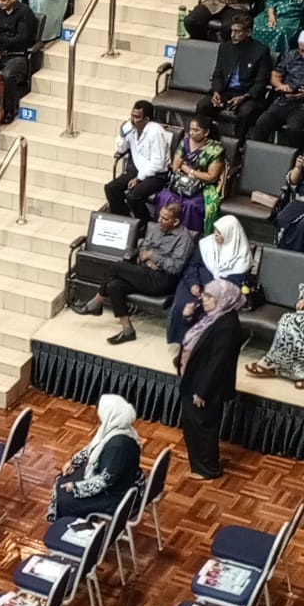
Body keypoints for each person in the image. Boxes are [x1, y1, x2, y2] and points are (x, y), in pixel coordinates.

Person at [75, 202, 194, 344]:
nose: (160, 220)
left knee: (116, 267)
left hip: (163, 279)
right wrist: (146, 259)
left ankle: (96, 303)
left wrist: (153, 256)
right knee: (114, 286)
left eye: (165, 219)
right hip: (146, 271)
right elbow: (144, 247)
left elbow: (176, 267)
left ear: (176, 222)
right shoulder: (158, 228)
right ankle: (127, 330)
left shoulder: (184, 239)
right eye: (160, 216)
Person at [178, 279, 244, 478]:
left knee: (202, 426)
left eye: (209, 296)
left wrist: (202, 391)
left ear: (222, 299)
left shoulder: (228, 327)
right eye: (204, 295)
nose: (203, 299)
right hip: (195, 377)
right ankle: (199, 465)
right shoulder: (214, 315)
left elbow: (218, 363)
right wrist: (188, 317)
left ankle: (207, 469)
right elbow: (198, 336)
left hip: (206, 386)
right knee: (193, 424)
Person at [48, 395, 145, 521]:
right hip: (114, 483)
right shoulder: (120, 429)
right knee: (62, 479)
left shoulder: (118, 447)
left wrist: (76, 488)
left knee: (65, 497)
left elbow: (104, 481)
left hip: (116, 495)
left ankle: (71, 528)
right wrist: (73, 461)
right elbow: (93, 447)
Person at [168, 213, 251, 350]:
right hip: (196, 281)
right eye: (216, 231)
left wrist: (209, 293)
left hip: (219, 292)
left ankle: (199, 345)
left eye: (220, 233)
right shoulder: (207, 244)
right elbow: (192, 266)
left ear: (231, 235)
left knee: (202, 309)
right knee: (182, 305)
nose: (216, 235)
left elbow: (235, 283)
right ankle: (182, 342)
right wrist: (193, 284)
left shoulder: (241, 255)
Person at [156, 113, 225, 234]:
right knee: (165, 196)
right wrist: (190, 172)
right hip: (181, 183)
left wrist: (188, 170)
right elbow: (175, 167)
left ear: (206, 132)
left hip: (203, 187)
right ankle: (163, 231)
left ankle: (188, 236)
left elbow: (211, 177)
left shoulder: (215, 150)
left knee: (190, 205)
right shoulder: (185, 142)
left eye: (196, 130)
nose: (191, 133)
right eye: (190, 129)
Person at [106, 98, 172, 222]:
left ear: (146, 119)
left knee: (133, 196)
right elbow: (121, 149)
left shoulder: (156, 132)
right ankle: (124, 221)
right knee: (111, 188)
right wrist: (122, 136)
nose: (132, 120)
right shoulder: (130, 127)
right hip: (137, 170)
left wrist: (139, 178)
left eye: (136, 117)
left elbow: (158, 164)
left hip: (156, 175)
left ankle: (144, 224)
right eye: (132, 115)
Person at [209, 12, 272, 140]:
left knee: (246, 112)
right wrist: (216, 92)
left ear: (248, 32)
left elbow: (261, 82)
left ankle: (237, 144)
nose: (233, 35)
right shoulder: (225, 47)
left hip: (247, 94)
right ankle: (210, 140)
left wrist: (244, 97)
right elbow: (218, 73)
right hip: (226, 91)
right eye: (232, 31)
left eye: (237, 32)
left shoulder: (261, 51)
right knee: (203, 105)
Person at [0, 0, 39, 119]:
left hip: (18, 55)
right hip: (0, 53)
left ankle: (10, 110)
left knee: (7, 74)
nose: (0, 3)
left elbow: (22, 40)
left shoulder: (24, 12)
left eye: (4, 0)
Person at [250, 31, 304, 145]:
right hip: (284, 100)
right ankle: (257, 151)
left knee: (294, 129)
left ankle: (296, 155)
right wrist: (281, 86)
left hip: (301, 106)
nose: (302, 54)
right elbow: (275, 75)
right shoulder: (291, 55)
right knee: (262, 122)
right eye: (301, 50)